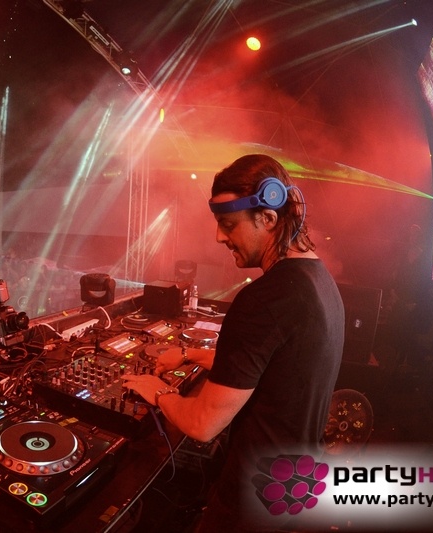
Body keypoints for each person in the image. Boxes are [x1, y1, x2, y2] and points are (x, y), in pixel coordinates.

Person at [123, 154, 345, 531]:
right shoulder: (320, 282)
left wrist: (157, 391)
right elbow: (274, 369)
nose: (219, 236)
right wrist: (189, 353)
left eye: (228, 224)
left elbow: (203, 424)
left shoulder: (264, 299)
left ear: (268, 218)